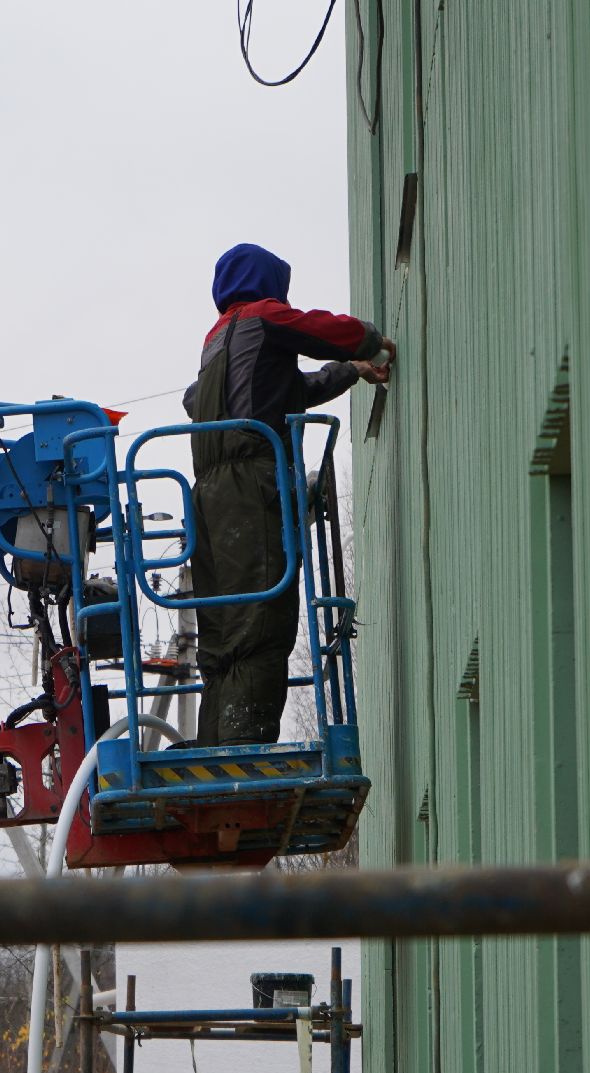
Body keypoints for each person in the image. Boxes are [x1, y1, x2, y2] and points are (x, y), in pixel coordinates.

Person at [183, 243, 394, 745]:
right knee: (262, 618)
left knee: (223, 625)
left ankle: (215, 741)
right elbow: (322, 330)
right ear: (269, 282)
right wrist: (367, 342)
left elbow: (280, 392)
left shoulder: (217, 341)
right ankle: (244, 743)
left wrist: (352, 372)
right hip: (252, 483)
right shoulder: (264, 317)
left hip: (206, 494)